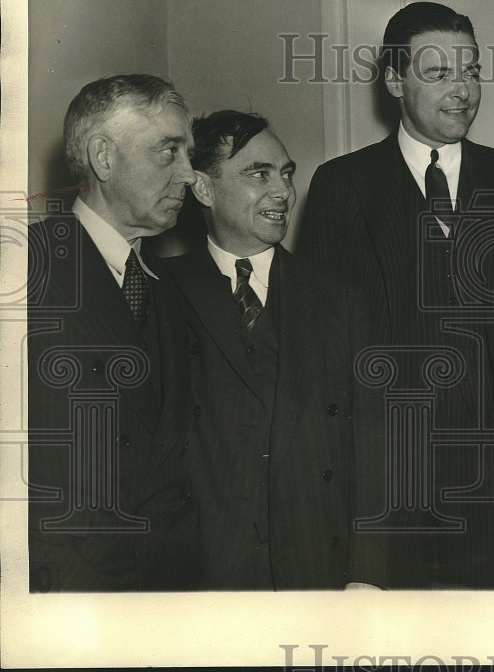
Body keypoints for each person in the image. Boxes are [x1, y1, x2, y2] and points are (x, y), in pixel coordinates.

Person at [296, 2, 494, 589]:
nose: (462, 90)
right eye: (439, 74)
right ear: (393, 80)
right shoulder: (342, 185)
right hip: (383, 480)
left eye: (471, 71)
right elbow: (316, 348)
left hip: (490, 482)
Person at [162, 110, 383, 590]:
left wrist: (368, 575)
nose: (282, 190)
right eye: (257, 173)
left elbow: (375, 446)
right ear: (203, 188)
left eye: (285, 174)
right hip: (205, 575)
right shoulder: (163, 295)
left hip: (317, 570)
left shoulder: (340, 298)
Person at [27, 74, 200, 592]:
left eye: (188, 154)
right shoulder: (24, 269)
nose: (190, 175)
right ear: (103, 157)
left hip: (167, 593)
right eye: (169, 152)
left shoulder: (170, 291)